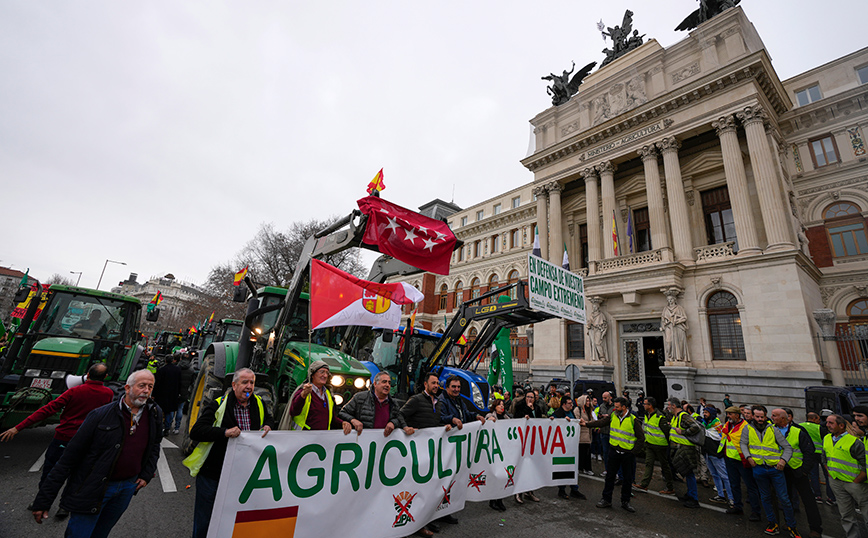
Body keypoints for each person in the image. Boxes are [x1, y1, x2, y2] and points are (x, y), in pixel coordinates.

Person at [30, 370, 163, 538]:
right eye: (141, 385)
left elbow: (155, 444)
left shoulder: (155, 413)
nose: (146, 390)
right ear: (127, 388)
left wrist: (145, 475)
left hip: (126, 488)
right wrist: (44, 500)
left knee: (101, 534)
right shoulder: (100, 415)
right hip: (94, 487)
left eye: (150, 387)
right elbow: (68, 459)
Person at [2, 363, 114, 518]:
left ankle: (41, 502)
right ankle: (65, 506)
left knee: (50, 471)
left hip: (63, 438)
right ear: (106, 377)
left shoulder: (74, 391)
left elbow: (47, 410)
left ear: (87, 375)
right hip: (86, 441)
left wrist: (17, 428)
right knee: (77, 474)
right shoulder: (107, 394)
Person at [186, 368, 273, 538]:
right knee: (205, 519)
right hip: (214, 473)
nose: (249, 386)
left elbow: (268, 419)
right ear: (234, 385)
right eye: (244, 382)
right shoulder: (218, 405)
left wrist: (269, 425)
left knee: (231, 518)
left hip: (241, 474)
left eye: (252, 383)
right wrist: (224, 433)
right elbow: (197, 431)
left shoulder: (260, 404)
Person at [400, 373, 451, 536]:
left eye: (437, 383)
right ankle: (412, 525)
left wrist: (445, 426)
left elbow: (434, 424)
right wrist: (405, 427)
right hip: (415, 452)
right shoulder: (416, 400)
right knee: (414, 488)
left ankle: (425, 521)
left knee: (427, 487)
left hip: (430, 452)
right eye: (433, 383)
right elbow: (400, 415)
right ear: (425, 384)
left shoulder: (438, 403)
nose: (436, 385)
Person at [741, 405, 799, 538]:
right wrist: (748, 457)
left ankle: (791, 525)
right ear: (753, 416)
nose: (760, 419)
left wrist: (783, 460)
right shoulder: (748, 428)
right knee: (765, 498)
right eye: (757, 416)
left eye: (762, 416)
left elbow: (787, 447)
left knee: (784, 499)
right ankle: (772, 523)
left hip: (775, 469)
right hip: (759, 468)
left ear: (766, 416)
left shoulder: (773, 429)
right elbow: (743, 443)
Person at [581, 396, 644, 513]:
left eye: (617, 407)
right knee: (610, 476)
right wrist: (587, 424)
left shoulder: (633, 419)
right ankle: (606, 499)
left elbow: (641, 438)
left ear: (624, 407)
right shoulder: (613, 416)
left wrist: (633, 452)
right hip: (614, 451)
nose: (615, 409)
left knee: (627, 478)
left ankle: (625, 501)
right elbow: (602, 422)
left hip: (627, 454)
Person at [438, 375, 487, 513]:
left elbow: (464, 414)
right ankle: (443, 508)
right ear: (447, 387)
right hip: (448, 445)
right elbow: (439, 417)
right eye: (453, 387)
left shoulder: (459, 400)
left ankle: (450, 507)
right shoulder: (442, 401)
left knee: (457, 476)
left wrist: (475, 416)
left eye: (458, 387)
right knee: (447, 479)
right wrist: (452, 419)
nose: (456, 389)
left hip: (459, 444)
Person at [771, 408, 823, 538]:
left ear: (784, 418)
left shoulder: (798, 430)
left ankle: (815, 528)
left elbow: (809, 451)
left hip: (798, 470)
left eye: (774, 416)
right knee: (785, 499)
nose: (772, 418)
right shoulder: (770, 429)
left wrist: (804, 470)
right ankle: (789, 523)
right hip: (781, 471)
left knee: (808, 500)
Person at [823, 413, 868, 538]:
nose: (827, 425)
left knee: (866, 513)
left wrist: (858, 479)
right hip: (837, 482)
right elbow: (824, 458)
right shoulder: (827, 438)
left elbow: (865, 463)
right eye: (827, 422)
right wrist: (830, 474)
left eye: (831, 423)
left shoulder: (854, 441)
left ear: (841, 426)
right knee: (846, 515)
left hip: (855, 483)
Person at [718, 405, 762, 520]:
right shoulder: (728, 424)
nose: (728, 416)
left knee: (750, 486)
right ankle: (737, 506)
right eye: (727, 414)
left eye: (730, 414)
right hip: (729, 458)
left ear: (737, 415)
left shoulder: (746, 426)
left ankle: (756, 511)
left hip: (743, 460)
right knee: (734, 484)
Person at [339, 371, 415, 436]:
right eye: (384, 382)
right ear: (375, 384)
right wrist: (353, 420)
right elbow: (342, 413)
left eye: (389, 383)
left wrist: (393, 423)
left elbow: (399, 418)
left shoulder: (393, 403)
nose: (387, 385)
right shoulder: (360, 398)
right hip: (362, 441)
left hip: (382, 445)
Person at [285, 360, 347, 431]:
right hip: (303, 438)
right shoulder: (303, 391)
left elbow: (331, 418)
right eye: (322, 372)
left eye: (327, 373)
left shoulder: (328, 394)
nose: (325, 375)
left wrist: (342, 423)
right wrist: (303, 395)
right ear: (312, 375)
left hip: (321, 438)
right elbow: (293, 411)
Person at [635, 397, 675, 495]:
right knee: (648, 463)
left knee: (664, 466)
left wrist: (668, 444)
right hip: (649, 444)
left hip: (660, 445)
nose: (643, 405)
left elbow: (667, 432)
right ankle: (644, 484)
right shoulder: (646, 415)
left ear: (650, 405)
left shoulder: (660, 416)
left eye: (645, 404)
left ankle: (670, 487)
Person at [667, 397, 702, 508]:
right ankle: (690, 494)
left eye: (669, 405)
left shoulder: (683, 416)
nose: (668, 407)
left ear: (673, 406)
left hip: (686, 448)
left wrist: (683, 431)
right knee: (686, 472)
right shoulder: (675, 417)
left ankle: (694, 498)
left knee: (689, 473)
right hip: (679, 448)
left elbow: (695, 427)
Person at [553, 397, 587, 501]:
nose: (571, 405)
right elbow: (553, 424)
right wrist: (562, 421)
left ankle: (574, 489)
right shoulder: (557, 414)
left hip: (572, 446)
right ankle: (562, 489)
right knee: (563, 468)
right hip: (562, 446)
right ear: (563, 404)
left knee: (573, 467)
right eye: (569, 403)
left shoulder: (571, 412)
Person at [700, 407, 731, 505]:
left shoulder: (717, 424)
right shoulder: (705, 424)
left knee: (724, 476)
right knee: (714, 475)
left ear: (711, 413)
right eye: (704, 412)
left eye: (706, 412)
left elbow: (719, 437)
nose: (704, 414)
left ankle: (731, 498)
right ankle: (720, 495)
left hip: (715, 453)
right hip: (707, 453)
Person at [485, 399, 511, 512]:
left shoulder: (506, 417)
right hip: (494, 450)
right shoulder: (490, 415)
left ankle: (500, 499)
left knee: (502, 475)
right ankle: (492, 499)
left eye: (503, 405)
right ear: (494, 406)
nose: (502, 407)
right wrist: (488, 420)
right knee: (494, 475)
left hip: (504, 450)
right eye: (499, 405)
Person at [153, 353, 182, 435]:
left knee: (160, 410)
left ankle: (160, 426)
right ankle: (167, 427)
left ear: (165, 361)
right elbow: (179, 383)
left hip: (162, 394)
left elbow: (157, 384)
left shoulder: (162, 370)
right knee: (169, 412)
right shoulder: (177, 370)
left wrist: (154, 394)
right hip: (173, 394)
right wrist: (178, 393)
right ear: (172, 360)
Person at [575, 394, 596, 477]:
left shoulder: (590, 410)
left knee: (587, 452)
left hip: (588, 434)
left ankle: (586, 468)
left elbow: (593, 420)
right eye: (586, 400)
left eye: (588, 400)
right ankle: (581, 468)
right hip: (581, 434)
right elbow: (577, 420)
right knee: (582, 452)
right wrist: (586, 423)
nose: (588, 402)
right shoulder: (578, 409)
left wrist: (588, 423)